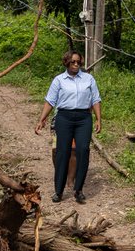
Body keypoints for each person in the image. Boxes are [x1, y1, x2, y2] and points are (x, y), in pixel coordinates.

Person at [34, 51, 102, 203]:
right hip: (64, 118)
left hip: (84, 118)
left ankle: (78, 190)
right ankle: (58, 191)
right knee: (62, 152)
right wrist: (42, 119)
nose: (76, 64)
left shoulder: (88, 79)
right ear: (66, 63)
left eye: (78, 62)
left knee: (83, 150)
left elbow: (96, 99)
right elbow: (50, 101)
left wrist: (98, 119)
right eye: (73, 62)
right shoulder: (59, 80)